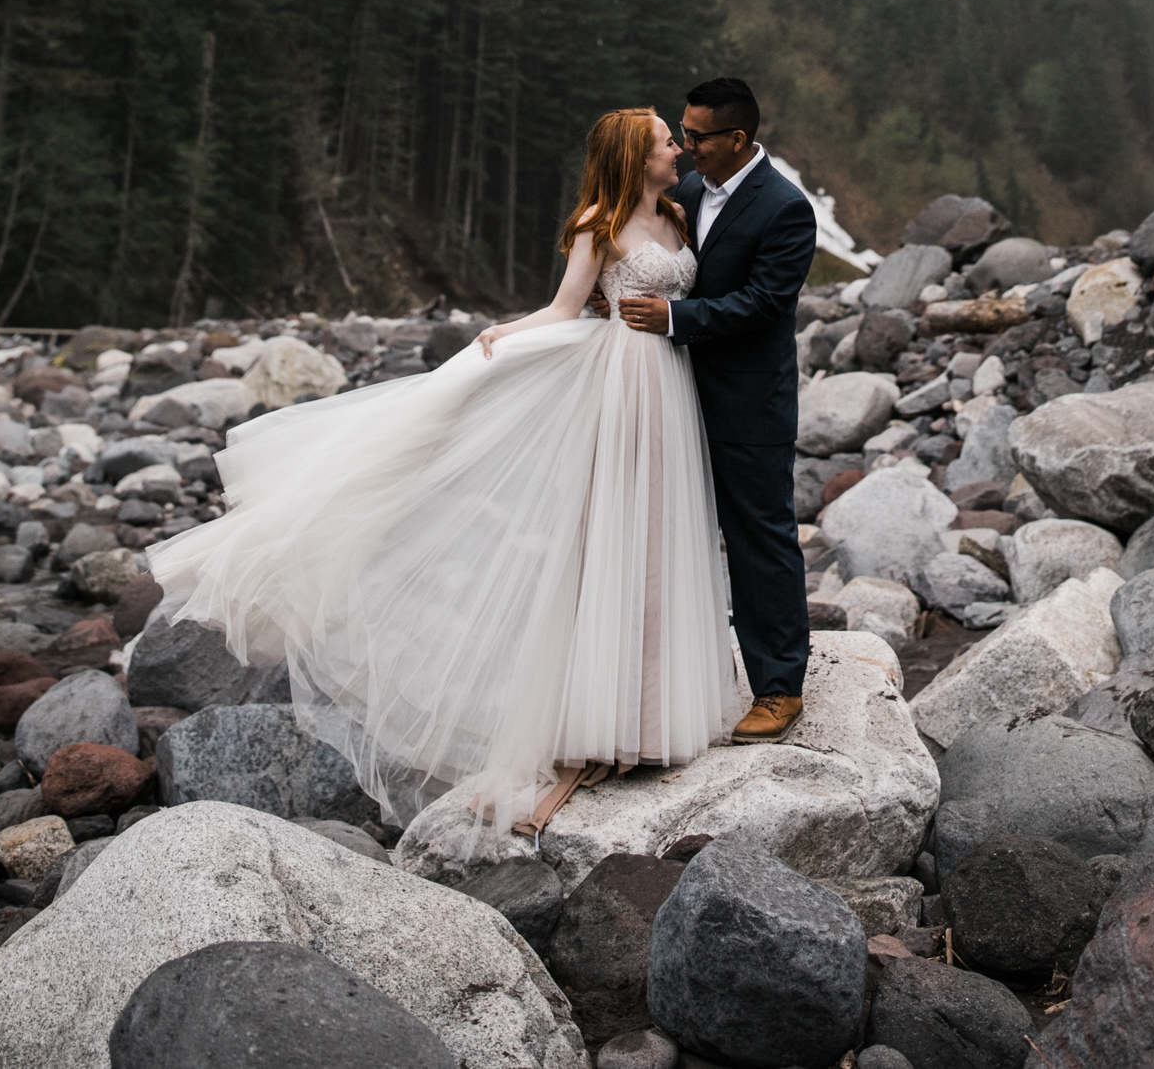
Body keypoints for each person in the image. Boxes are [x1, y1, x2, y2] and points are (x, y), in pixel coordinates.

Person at [146, 106, 742, 836]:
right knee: (615, 535)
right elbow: (564, 308)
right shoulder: (597, 220)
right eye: (662, 142)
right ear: (632, 155)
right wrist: (504, 334)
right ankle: (605, 719)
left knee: (666, 533)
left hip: (671, 384)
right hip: (621, 380)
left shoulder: (679, 217)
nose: (676, 150)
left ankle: (656, 709)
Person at [606, 77, 817, 743]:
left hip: (749, 401)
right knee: (672, 533)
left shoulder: (785, 208)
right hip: (673, 394)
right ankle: (674, 681)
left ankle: (779, 688)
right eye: (683, 135)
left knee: (760, 538)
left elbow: (761, 305)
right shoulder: (689, 193)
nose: (686, 145)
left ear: (737, 139)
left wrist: (674, 316)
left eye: (697, 136)